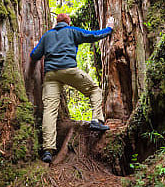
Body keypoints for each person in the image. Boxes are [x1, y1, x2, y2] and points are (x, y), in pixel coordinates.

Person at [30, 13, 115, 163]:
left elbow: (34, 55)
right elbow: (92, 36)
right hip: (69, 70)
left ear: (55, 23)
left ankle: (48, 150)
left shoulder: (47, 35)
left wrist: (40, 48)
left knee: (49, 111)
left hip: (50, 75)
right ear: (69, 22)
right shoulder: (72, 31)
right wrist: (109, 29)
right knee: (94, 90)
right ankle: (97, 120)